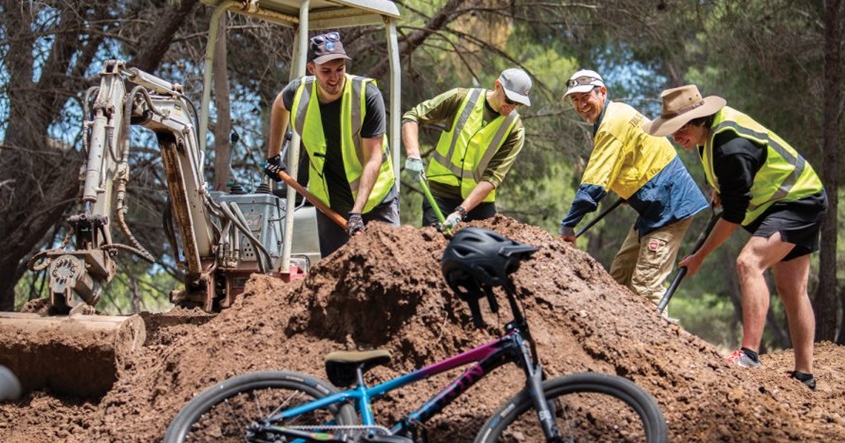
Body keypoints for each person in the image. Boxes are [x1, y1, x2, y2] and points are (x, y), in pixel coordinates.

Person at [647, 84, 827, 390]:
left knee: (748, 262)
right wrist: (724, 189)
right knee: (792, 288)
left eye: (679, 129)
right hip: (786, 203)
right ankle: (804, 376)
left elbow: (733, 217)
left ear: (698, 119)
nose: (676, 138)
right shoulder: (708, 137)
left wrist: (699, 257)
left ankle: (749, 355)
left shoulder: (729, 143)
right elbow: (738, 179)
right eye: (672, 131)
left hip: (798, 201)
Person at [558, 69, 709, 308]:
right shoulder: (619, 112)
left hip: (669, 206)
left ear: (602, 92)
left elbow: (595, 182)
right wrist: (630, 190)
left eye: (585, 96)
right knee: (619, 277)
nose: (580, 104)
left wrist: (569, 225)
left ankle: (663, 344)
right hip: (653, 205)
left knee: (645, 288)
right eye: (575, 99)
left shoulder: (611, 124)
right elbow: (635, 158)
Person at [264, 32, 399, 257]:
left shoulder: (366, 95)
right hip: (329, 202)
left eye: (340, 69)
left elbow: (373, 158)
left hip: (376, 199)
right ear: (311, 69)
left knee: (390, 264)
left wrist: (356, 212)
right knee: (336, 274)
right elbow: (279, 105)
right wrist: (273, 156)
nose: (334, 78)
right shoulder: (299, 92)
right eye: (326, 71)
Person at [401, 68, 530, 231]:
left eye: (518, 103)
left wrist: (460, 212)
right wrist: (413, 155)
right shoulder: (461, 98)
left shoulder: (515, 129)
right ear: (498, 85)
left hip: (479, 203)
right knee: (434, 247)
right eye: (510, 99)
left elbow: (492, 178)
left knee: (484, 252)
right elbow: (413, 116)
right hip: (440, 194)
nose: (512, 106)